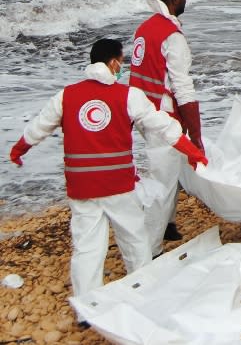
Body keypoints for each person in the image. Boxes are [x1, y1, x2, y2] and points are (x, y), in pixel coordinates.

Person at [8, 39, 207, 301]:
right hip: (117, 184)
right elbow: (163, 126)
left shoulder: (66, 95)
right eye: (121, 62)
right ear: (113, 63)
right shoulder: (128, 96)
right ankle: (142, 289)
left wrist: (18, 151)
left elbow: (39, 127)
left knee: (87, 246)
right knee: (134, 237)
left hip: (81, 186)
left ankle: (87, 303)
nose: (121, 67)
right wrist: (193, 152)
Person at [128, 0, 202, 252]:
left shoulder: (144, 28)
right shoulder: (172, 36)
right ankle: (150, 247)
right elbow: (182, 87)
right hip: (162, 115)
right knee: (164, 179)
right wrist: (196, 134)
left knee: (170, 170)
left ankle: (168, 224)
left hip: (141, 109)